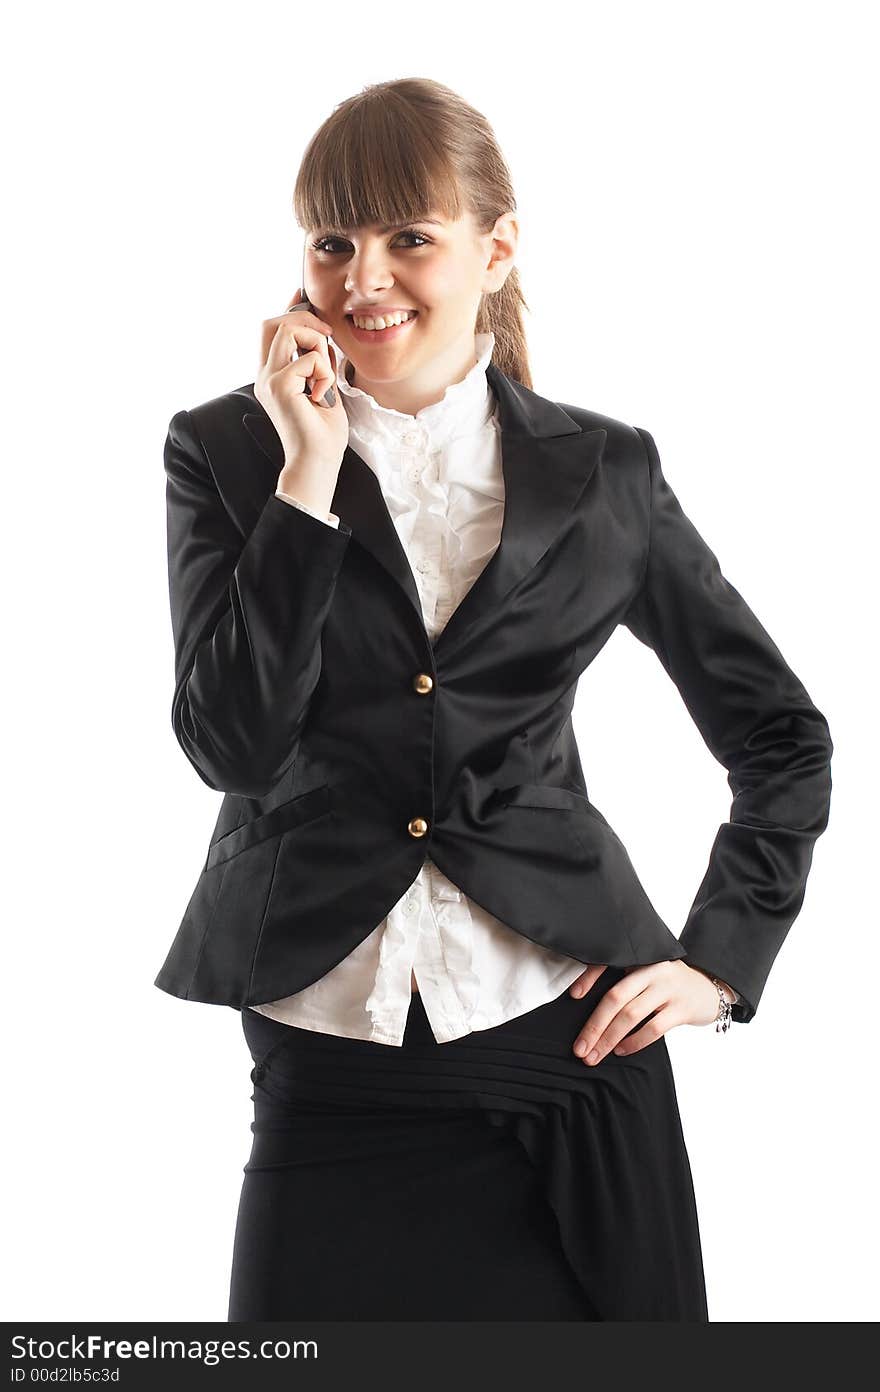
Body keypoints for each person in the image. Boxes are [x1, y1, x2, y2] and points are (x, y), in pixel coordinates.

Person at [155, 77, 834, 1322]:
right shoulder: (227, 453)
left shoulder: (603, 471)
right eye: (333, 240)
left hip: (570, 1051)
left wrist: (723, 965)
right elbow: (232, 744)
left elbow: (779, 736)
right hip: (330, 1058)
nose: (364, 278)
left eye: (410, 237)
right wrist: (306, 482)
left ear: (495, 248)